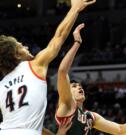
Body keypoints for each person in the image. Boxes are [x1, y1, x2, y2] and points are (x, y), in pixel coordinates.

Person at [0, 0, 96, 135]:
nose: (25, 46)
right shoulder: (35, 65)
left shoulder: (2, 85)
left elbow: (25, 124)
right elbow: (58, 38)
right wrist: (75, 9)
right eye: (20, 45)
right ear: (16, 54)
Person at [55, 23, 126, 135]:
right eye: (74, 86)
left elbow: (120, 130)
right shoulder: (67, 104)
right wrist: (77, 43)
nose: (79, 87)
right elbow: (62, 71)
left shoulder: (91, 116)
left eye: (79, 85)